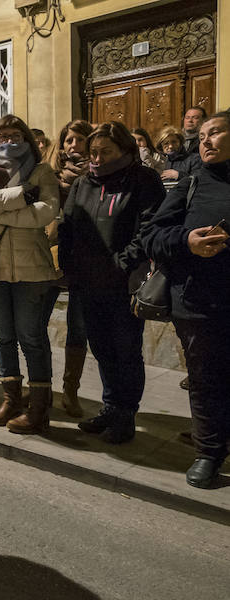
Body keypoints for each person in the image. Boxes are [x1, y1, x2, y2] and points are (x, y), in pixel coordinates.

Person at [59, 121, 165, 444]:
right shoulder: (83, 184)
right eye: (94, 152)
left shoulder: (143, 179)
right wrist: (69, 262)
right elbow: (68, 223)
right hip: (88, 283)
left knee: (125, 350)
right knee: (101, 347)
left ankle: (126, 414)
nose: (98, 158)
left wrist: (120, 263)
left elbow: (149, 228)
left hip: (123, 283)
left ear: (125, 150)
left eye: (106, 151)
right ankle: (110, 406)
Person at [142, 110, 230, 487]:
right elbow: (153, 234)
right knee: (205, 379)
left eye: (216, 132)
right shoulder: (191, 182)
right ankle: (209, 452)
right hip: (197, 300)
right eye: (203, 134)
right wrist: (188, 242)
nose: (206, 140)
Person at [0, 114, 60, 434]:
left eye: (14, 135)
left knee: (31, 338)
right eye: (1, 136)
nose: (8, 141)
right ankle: (11, 398)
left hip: (31, 267)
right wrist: (21, 197)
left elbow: (45, 213)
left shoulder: (41, 171)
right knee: (4, 337)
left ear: (26, 139)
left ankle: (39, 407)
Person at [46, 119, 94, 417]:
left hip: (81, 261)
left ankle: (70, 391)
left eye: (79, 139)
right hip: (48, 256)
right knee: (35, 326)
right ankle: (41, 387)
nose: (73, 145)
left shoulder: (98, 176)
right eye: (68, 140)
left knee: (78, 328)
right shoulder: (49, 175)